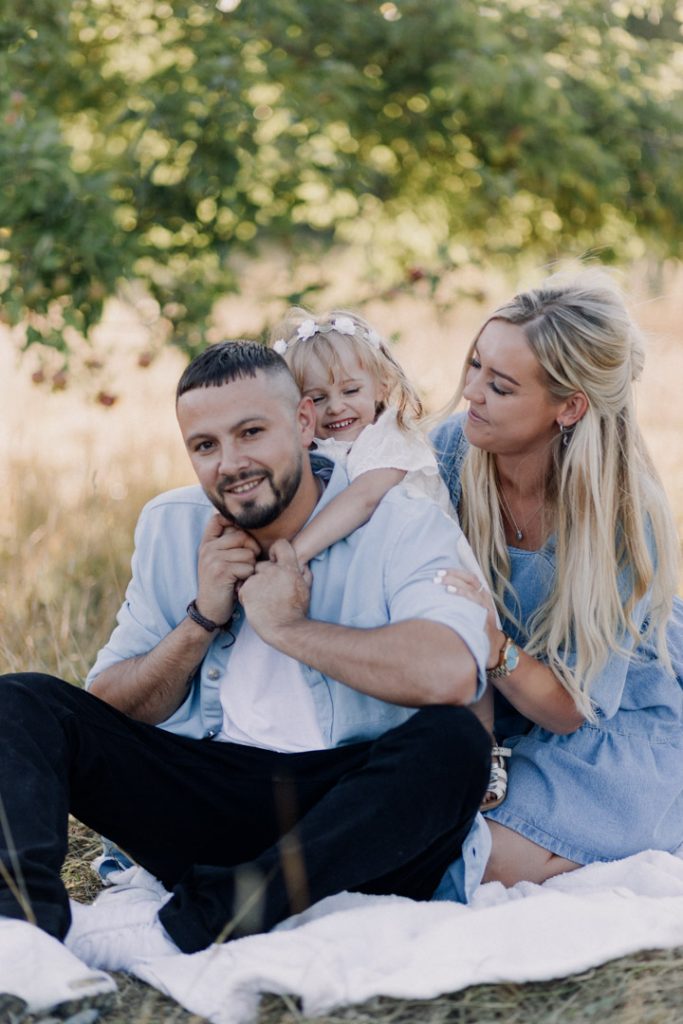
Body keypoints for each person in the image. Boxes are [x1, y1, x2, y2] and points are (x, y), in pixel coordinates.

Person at [0, 340, 493, 1011]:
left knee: (452, 743)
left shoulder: (400, 520)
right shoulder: (172, 524)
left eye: (250, 433)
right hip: (213, 793)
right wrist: (201, 619)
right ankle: (20, 931)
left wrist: (289, 629)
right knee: (21, 700)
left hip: (352, 815)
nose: (229, 464)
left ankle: (191, 923)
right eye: (204, 445)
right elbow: (112, 704)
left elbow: (450, 673)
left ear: (305, 423)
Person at [430, 270, 683, 897]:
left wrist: (491, 647)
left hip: (608, 716)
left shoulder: (622, 520)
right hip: (493, 709)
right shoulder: (452, 454)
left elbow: (572, 709)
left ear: (568, 407)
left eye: (500, 385)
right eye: (475, 366)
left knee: (480, 858)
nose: (470, 393)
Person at [270, 308, 506, 807]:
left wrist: (293, 554)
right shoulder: (326, 447)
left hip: (436, 560)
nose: (336, 407)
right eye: (317, 397)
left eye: (349, 391)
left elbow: (363, 500)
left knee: (467, 638)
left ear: (381, 385)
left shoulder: (389, 437)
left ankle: (488, 751)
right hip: (381, 568)